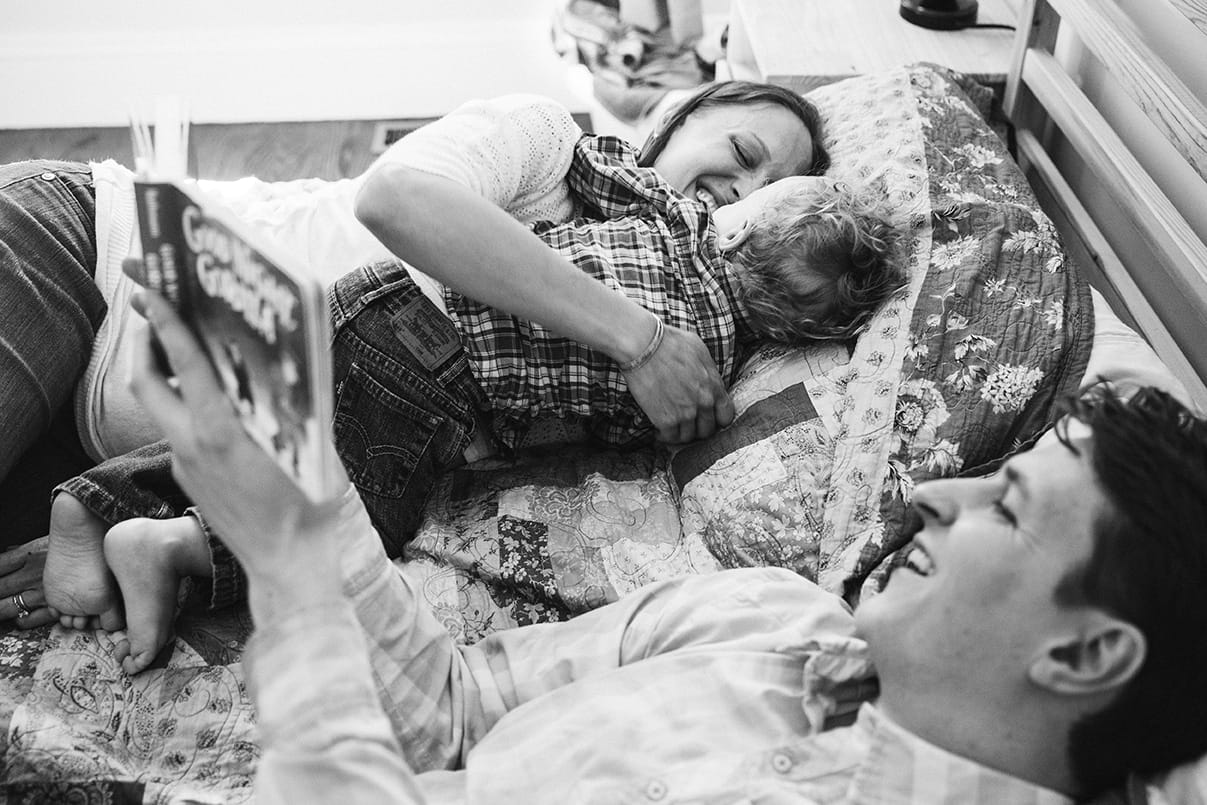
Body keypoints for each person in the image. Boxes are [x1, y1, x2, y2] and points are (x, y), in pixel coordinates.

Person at [131, 284, 1207, 802]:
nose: (933, 492)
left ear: (1082, 655)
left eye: (1004, 508)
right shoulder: (768, 615)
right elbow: (450, 716)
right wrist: (304, 488)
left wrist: (287, 569)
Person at [48, 140, 903, 674]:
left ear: (745, 225)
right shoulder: (707, 364)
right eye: (752, 156)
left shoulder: (674, 217)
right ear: (796, 330)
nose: (743, 186)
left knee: (274, 433)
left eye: (771, 184)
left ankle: (93, 501)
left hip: (377, 296)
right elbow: (622, 427)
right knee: (356, 516)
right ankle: (170, 543)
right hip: (431, 370)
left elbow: (595, 166)